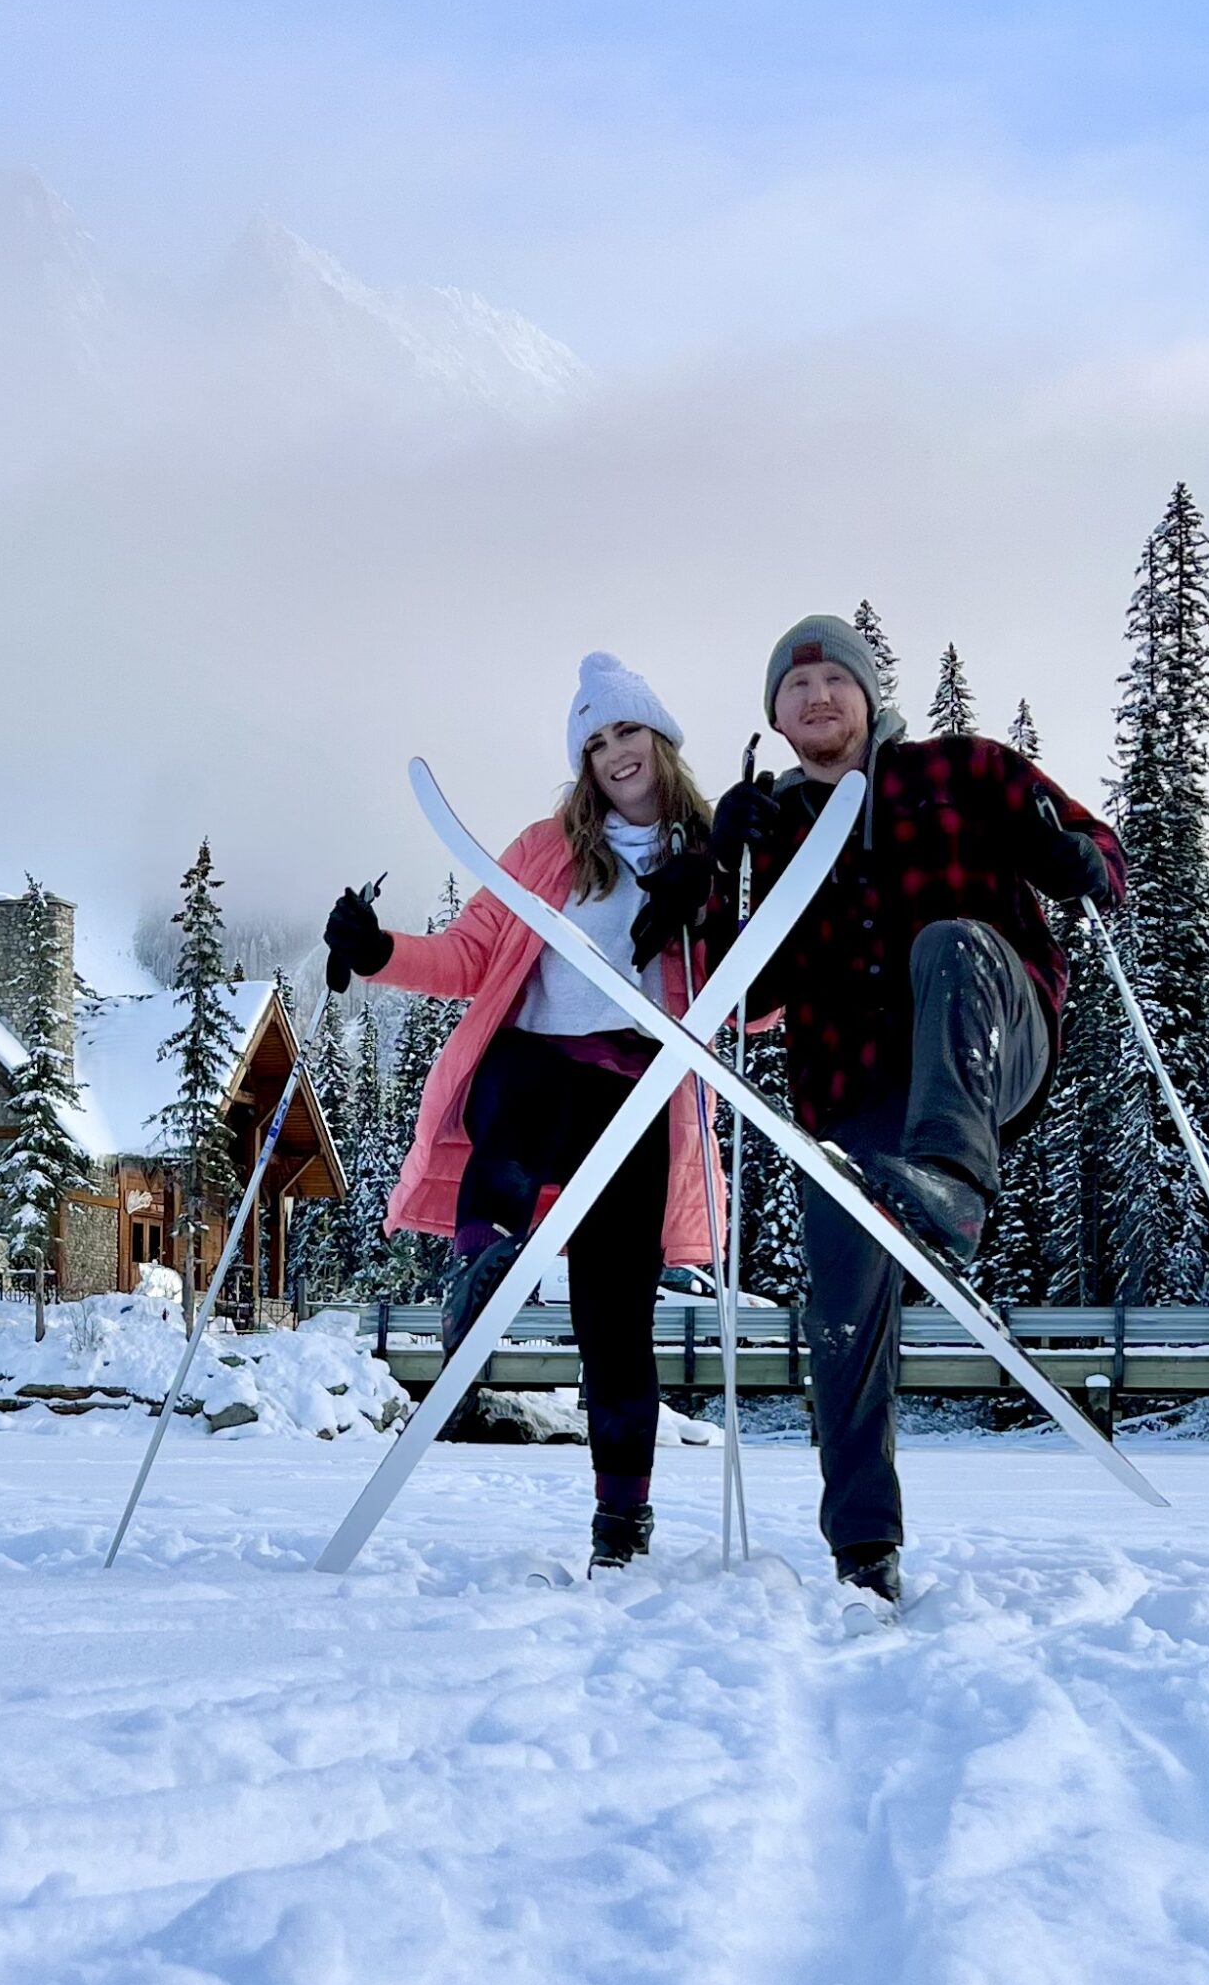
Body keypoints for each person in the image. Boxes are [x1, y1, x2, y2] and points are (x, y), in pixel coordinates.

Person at [635, 613, 1124, 1613]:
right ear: (776, 714)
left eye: (832, 677)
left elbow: (1100, 856)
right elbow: (746, 993)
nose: (815, 694)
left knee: (948, 941)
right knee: (842, 1303)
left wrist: (1070, 854)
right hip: (856, 1097)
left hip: (991, 1034)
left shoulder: (963, 769)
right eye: (794, 684)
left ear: (866, 693)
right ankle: (864, 1546)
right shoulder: (773, 826)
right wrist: (722, 881)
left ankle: (951, 1182)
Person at [322, 654, 725, 1574]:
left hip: (638, 1102)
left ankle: (621, 1523)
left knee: (614, 1320)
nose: (614, 754)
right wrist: (379, 949)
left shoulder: (712, 852)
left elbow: (756, 1002)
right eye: (594, 742)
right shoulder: (547, 849)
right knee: (515, 1079)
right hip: (538, 1069)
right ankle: (482, 1268)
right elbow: (469, 957)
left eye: (625, 731)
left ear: (659, 738)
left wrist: (714, 921)